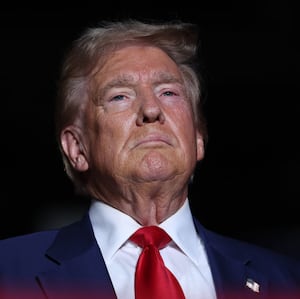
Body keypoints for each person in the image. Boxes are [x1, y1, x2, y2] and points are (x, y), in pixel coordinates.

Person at [0, 18, 299, 299]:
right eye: (120, 96)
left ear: (197, 138)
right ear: (77, 148)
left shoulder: (285, 280)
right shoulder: (9, 272)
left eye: (168, 92)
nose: (152, 110)